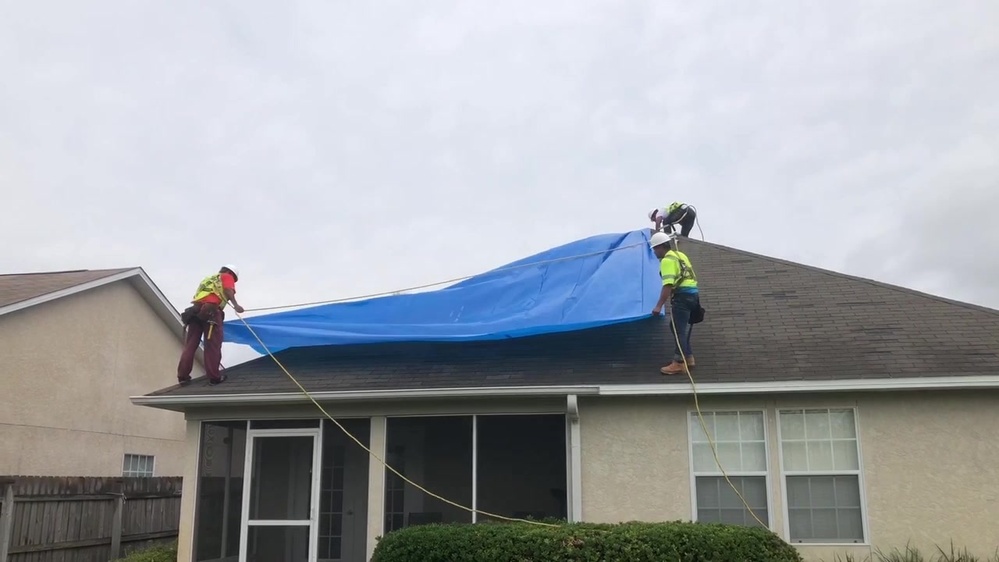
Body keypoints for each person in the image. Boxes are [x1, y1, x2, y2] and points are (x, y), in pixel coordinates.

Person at [177, 265, 244, 386]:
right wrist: (236, 305)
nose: (233, 281)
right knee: (212, 345)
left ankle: (183, 376)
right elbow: (228, 290)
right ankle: (214, 377)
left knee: (190, 345)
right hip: (211, 310)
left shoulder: (208, 279)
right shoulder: (227, 276)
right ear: (230, 273)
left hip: (194, 311)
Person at [649, 232, 702, 375]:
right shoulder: (680, 255)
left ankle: (679, 363)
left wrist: (659, 305)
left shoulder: (667, 261)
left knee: (679, 330)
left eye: (655, 248)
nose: (654, 252)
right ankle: (688, 358)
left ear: (661, 247)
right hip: (693, 296)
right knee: (675, 327)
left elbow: (668, 285)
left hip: (683, 297)